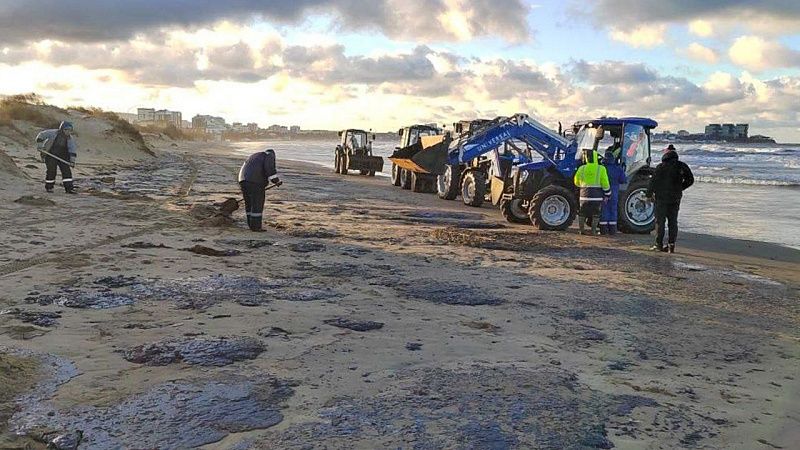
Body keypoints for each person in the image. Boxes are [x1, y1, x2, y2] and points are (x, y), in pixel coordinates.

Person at [646, 144, 694, 253]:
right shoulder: (682, 166)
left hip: (661, 198)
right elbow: (690, 180)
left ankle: (658, 245)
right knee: (673, 222)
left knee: (660, 222)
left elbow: (652, 182)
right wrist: (680, 188)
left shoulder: (660, 167)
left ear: (666, 154)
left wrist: (648, 195)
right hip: (675, 198)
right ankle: (671, 245)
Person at [238, 149, 281, 231]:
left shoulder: (254, 156)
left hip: (242, 180)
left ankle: (251, 225)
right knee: (257, 204)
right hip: (255, 182)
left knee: (249, 203)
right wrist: (276, 181)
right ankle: (256, 227)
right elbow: (269, 168)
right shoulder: (269, 155)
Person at [574, 148, 610, 235]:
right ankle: (593, 231)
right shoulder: (601, 169)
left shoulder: (582, 168)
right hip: (596, 197)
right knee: (596, 214)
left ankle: (581, 230)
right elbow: (605, 183)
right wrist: (608, 194)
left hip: (584, 196)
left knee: (582, 213)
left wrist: (582, 186)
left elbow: (576, 181)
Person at [36, 121, 77, 193]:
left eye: (70, 130)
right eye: (66, 129)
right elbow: (41, 135)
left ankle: (69, 189)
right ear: (62, 129)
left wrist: (72, 161)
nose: (68, 132)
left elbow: (72, 150)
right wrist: (40, 146)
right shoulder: (53, 133)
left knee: (66, 172)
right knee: (51, 171)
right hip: (50, 154)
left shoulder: (70, 139)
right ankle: (49, 187)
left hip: (63, 156)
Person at [599, 150, 627, 235]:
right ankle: (613, 230)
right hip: (614, 191)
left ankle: (603, 230)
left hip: (603, 191)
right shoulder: (618, 168)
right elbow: (623, 180)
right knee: (613, 210)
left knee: (604, 209)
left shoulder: (602, 168)